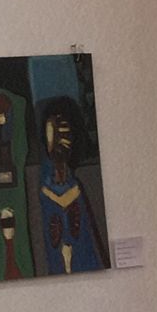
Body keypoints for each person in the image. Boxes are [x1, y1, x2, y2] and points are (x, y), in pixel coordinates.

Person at [36, 98, 105, 275]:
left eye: (64, 133)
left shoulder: (76, 187)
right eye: (54, 134)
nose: (59, 142)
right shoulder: (48, 190)